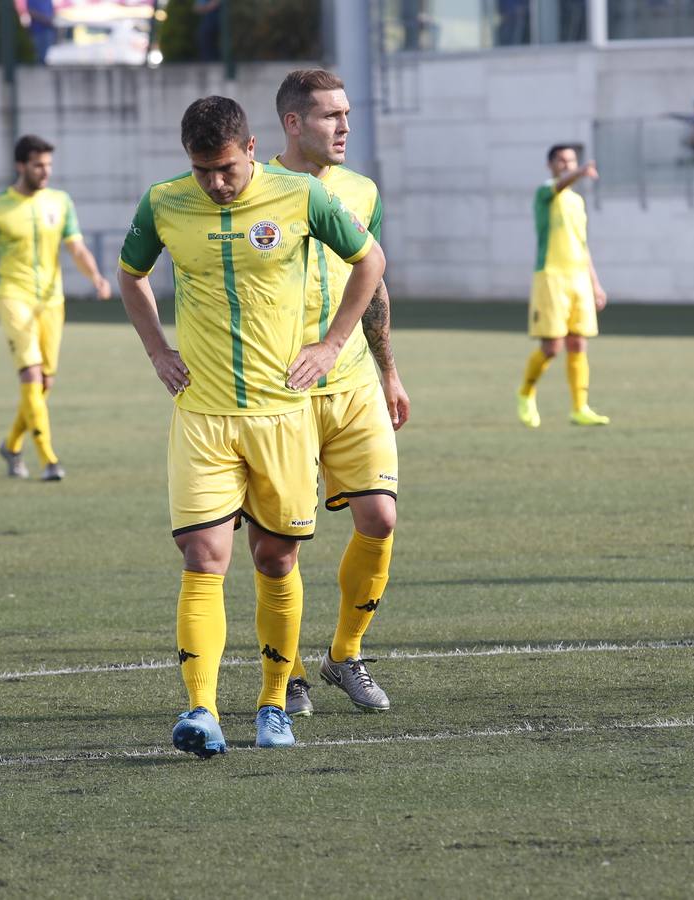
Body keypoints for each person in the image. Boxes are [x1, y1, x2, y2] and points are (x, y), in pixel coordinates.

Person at [116, 96, 385, 755]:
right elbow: (130, 275)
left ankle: (273, 706)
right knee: (203, 557)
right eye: (202, 169)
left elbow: (369, 262)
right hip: (203, 418)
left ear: (251, 148)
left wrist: (330, 345)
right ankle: (200, 710)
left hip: (281, 416)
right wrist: (157, 349)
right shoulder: (162, 203)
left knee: (275, 557)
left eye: (226, 168)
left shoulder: (298, 196)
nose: (214, 182)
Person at [268, 69, 410, 718]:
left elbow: (374, 284)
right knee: (279, 544)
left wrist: (389, 370)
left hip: (352, 379)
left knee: (379, 517)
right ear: (293, 123)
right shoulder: (258, 192)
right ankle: (288, 670)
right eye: (329, 116)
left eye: (347, 114)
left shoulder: (361, 190)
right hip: (282, 390)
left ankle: (343, 655)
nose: (344, 126)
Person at [0, 135, 110, 482]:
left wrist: (95, 276)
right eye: (38, 165)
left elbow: (76, 247)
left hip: (52, 301)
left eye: (48, 164)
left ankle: (11, 444)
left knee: (44, 382)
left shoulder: (60, 202)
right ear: (21, 166)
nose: (45, 171)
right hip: (12, 297)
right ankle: (49, 458)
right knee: (31, 375)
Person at [516, 144, 609, 428]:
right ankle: (526, 393)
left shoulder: (576, 202)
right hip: (551, 276)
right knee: (552, 346)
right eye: (562, 160)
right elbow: (560, 185)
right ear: (550, 164)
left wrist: (595, 283)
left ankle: (580, 408)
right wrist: (580, 172)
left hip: (578, 278)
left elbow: (583, 245)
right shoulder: (546, 192)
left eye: (572, 160)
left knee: (579, 342)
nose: (567, 164)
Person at [27, 0, 57, 64]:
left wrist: (51, 19)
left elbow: (52, 10)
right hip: (37, 30)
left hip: (49, 29)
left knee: (49, 55)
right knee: (39, 54)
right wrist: (44, 19)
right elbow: (30, 11)